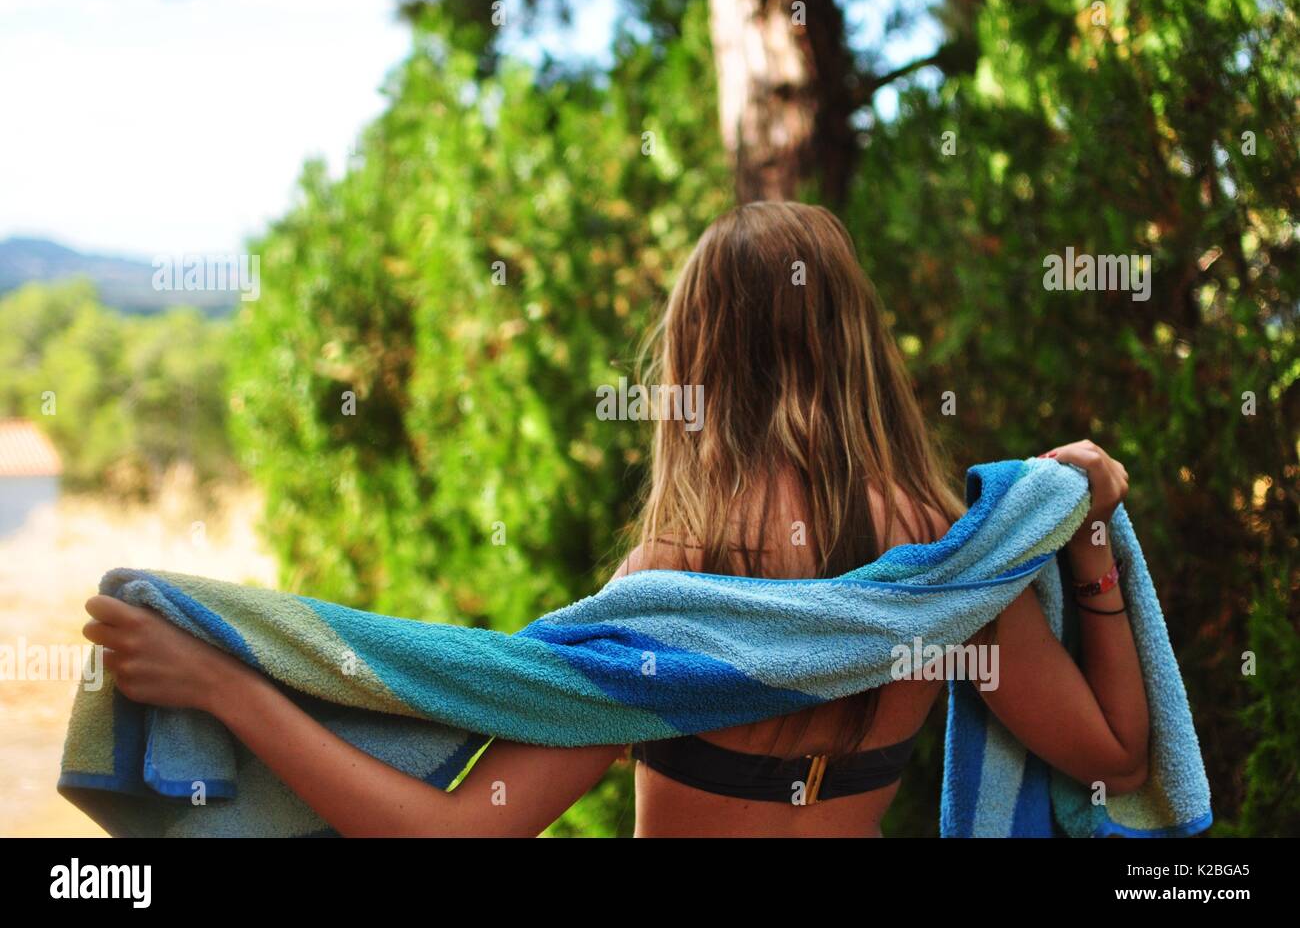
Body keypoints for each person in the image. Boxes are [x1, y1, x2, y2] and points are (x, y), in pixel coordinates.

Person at [82, 201, 1147, 837]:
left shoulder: (676, 574)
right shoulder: (957, 561)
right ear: (859, 344)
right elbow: (1120, 754)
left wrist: (225, 685)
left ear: (697, 364)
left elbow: (455, 831)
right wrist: (1086, 532)